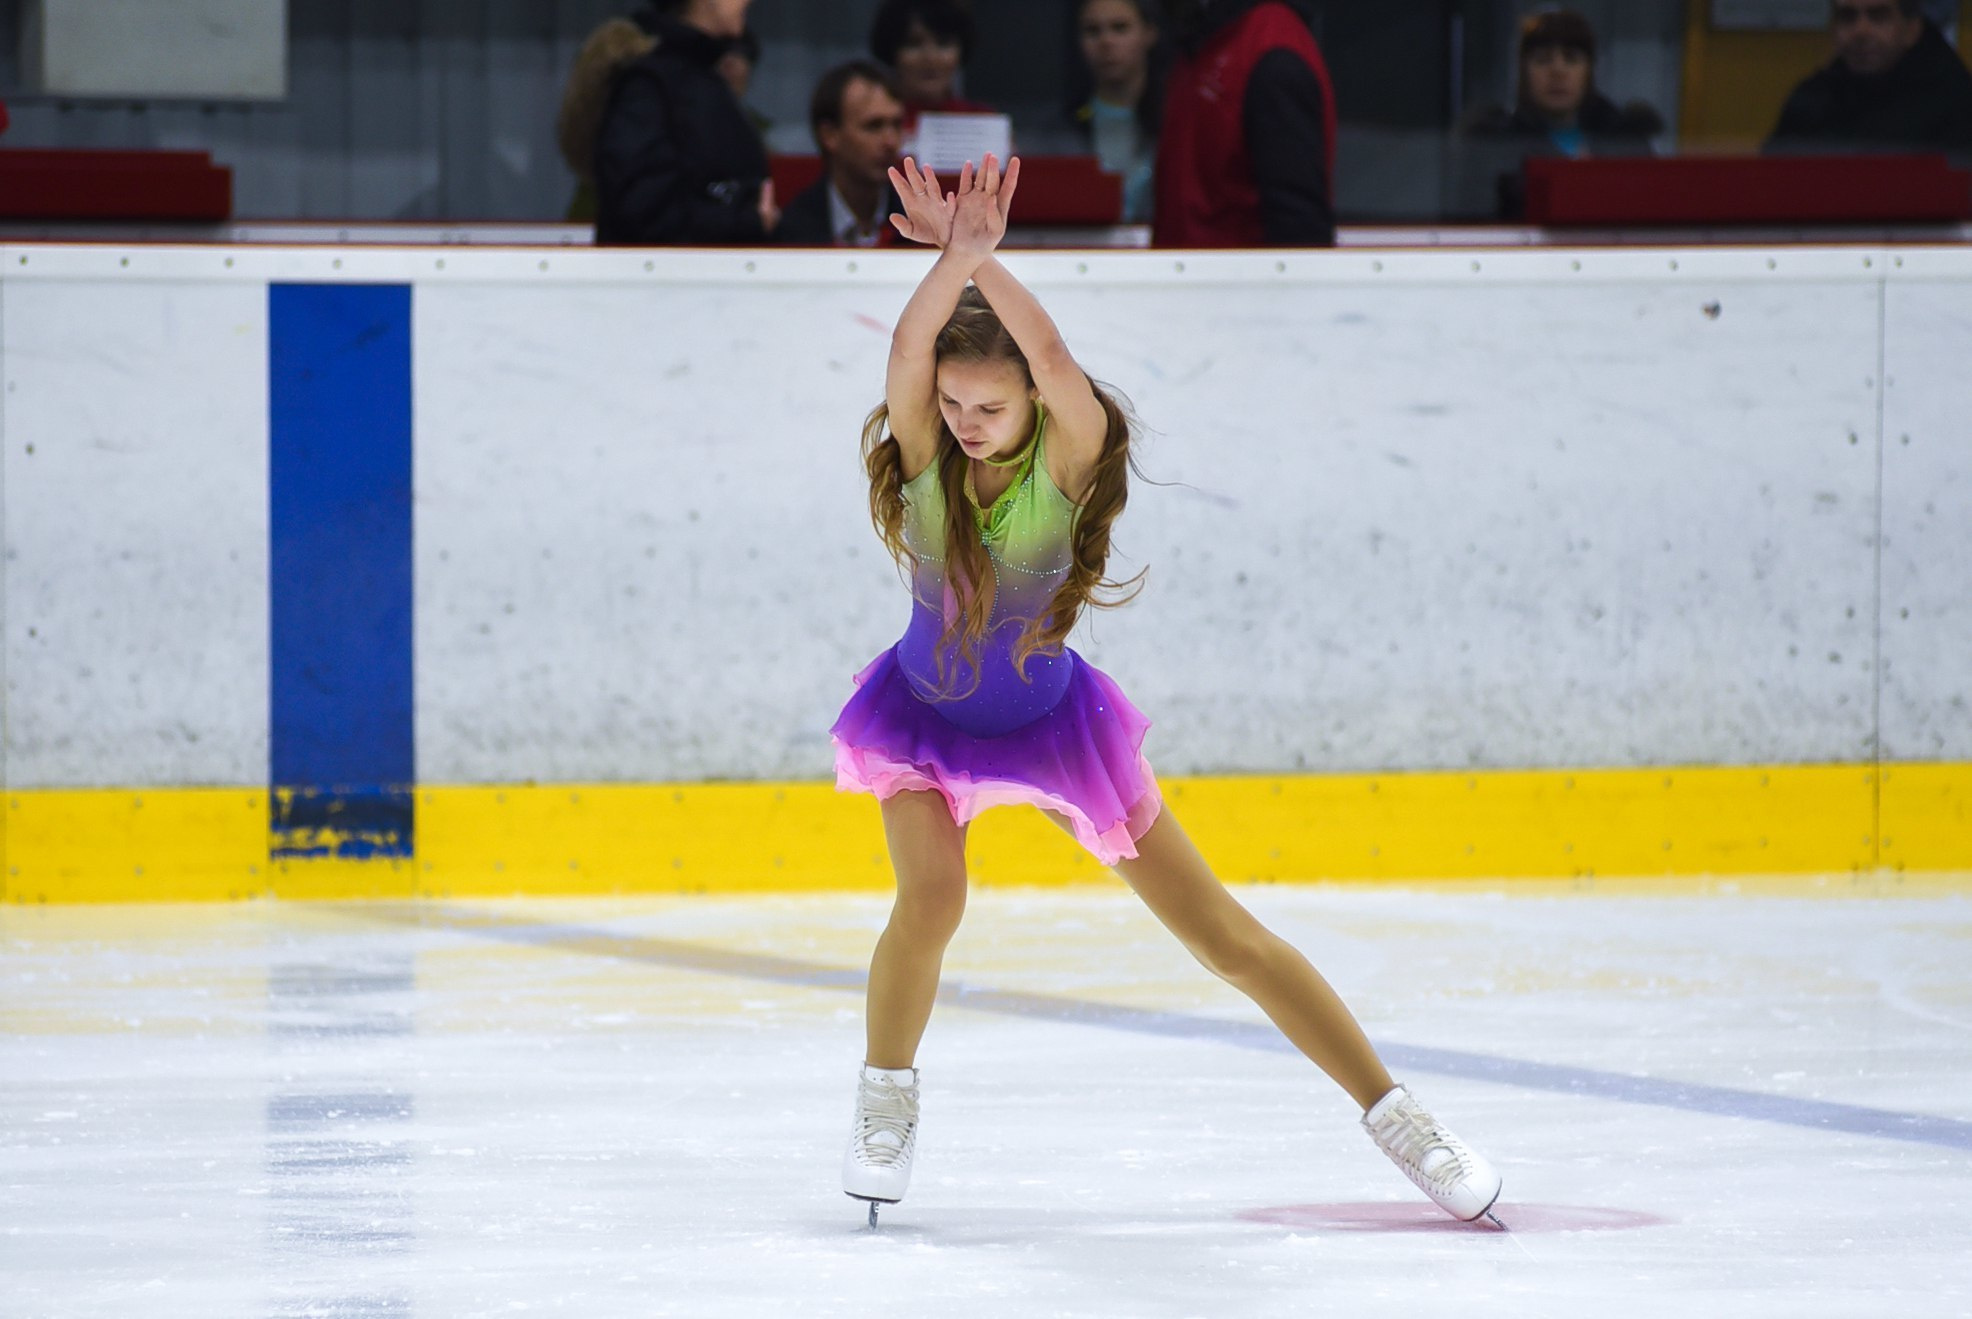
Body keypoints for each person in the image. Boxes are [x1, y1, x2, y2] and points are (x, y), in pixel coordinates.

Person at [831, 152, 1504, 1229]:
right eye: (953, 401)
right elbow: (911, 347)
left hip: (1057, 731)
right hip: (923, 717)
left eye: (988, 404)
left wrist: (980, 262)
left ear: (1036, 410)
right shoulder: (925, 465)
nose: (963, 418)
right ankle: (885, 1096)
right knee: (934, 897)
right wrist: (950, 266)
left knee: (1223, 937)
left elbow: (1050, 354)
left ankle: (1399, 1116)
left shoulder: (1069, 459)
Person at [580, 0, 778, 245]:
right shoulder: (650, 87)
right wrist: (746, 221)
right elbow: (644, 213)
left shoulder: (704, 80)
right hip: (663, 279)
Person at [1153, 0, 1337, 247]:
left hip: (1234, 279)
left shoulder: (1271, 55)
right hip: (1180, 277)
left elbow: (1300, 231)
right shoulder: (1198, 47)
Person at [1457, 10, 1663, 221]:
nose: (1558, 71)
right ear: (1523, 72)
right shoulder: (1494, 145)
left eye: (1571, 59)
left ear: (1589, 72)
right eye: (1543, 59)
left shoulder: (1626, 140)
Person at [1766, 0, 1972, 158]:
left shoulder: (1956, 102)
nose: (1860, 31)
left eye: (1878, 16)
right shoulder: (1810, 100)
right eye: (1848, 17)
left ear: (1912, 29)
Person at [778, 61, 907, 247]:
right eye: (873, 126)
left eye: (896, 125)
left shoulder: (919, 224)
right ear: (829, 135)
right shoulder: (792, 229)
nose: (891, 142)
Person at [1069, 0, 1164, 223]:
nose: (1106, 41)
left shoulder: (1177, 124)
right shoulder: (1057, 132)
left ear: (1149, 33)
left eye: (1120, 28)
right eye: (1093, 30)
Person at [868, 0, 995, 157]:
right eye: (913, 44)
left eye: (943, 44)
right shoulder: (872, 122)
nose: (930, 58)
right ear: (892, 51)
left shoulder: (984, 122)